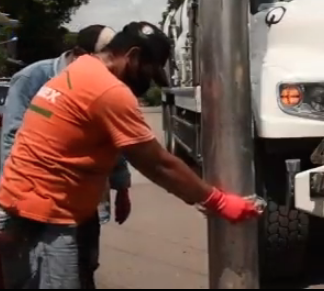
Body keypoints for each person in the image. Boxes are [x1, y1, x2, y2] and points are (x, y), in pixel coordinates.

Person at [0, 21, 261, 289]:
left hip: (19, 206)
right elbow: (158, 165)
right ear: (133, 56)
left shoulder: (81, 68)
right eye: (148, 72)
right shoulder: (109, 91)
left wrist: (121, 185)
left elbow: (97, 141)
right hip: (50, 216)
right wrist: (217, 201)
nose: (147, 83)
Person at [0, 24, 131, 289]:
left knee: (85, 265)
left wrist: (122, 187)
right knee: (33, 271)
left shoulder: (105, 84)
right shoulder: (34, 78)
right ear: (81, 54)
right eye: (105, 56)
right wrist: (11, 205)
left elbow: (111, 138)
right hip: (36, 199)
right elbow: (12, 139)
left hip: (84, 199)